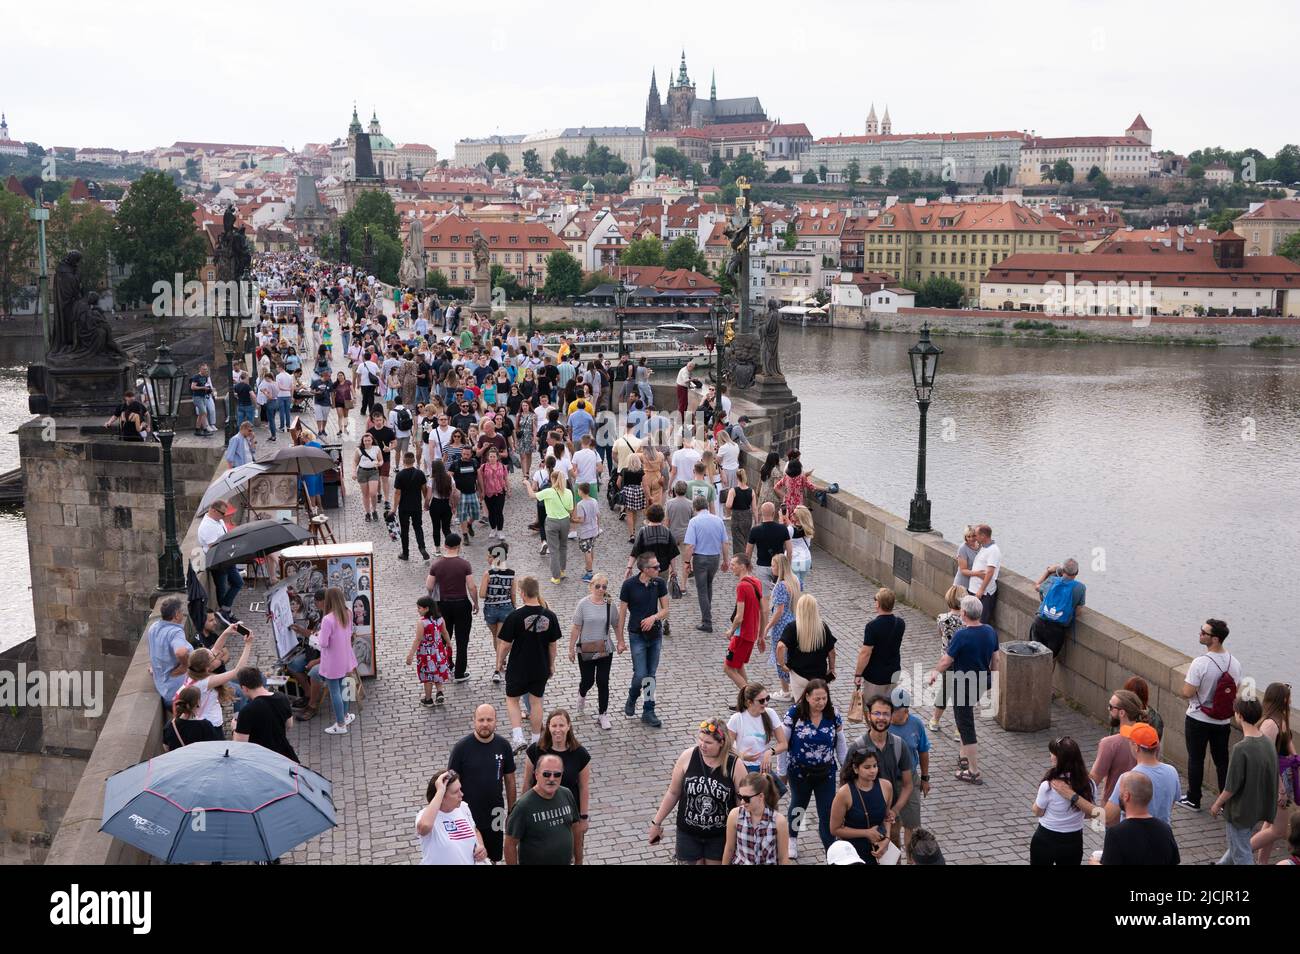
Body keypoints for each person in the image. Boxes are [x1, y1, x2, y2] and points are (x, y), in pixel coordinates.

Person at [649, 717, 747, 865]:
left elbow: (743, 803)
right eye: (700, 739)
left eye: (708, 742)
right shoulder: (688, 757)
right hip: (687, 833)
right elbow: (673, 792)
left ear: (722, 743)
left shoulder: (735, 765)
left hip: (719, 836)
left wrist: (741, 834)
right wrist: (656, 822)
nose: (702, 745)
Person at [926, 595, 998, 785]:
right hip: (982, 681)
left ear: (964, 613)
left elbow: (946, 660)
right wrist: (995, 678)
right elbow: (996, 659)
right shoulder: (990, 631)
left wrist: (935, 672)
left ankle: (973, 771)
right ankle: (964, 757)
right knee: (966, 716)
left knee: (966, 725)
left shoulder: (962, 635)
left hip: (963, 684)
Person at [1176, 617, 1242, 812]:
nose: (1200, 634)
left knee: (1196, 758)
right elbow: (1235, 691)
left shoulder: (1200, 663)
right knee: (1222, 761)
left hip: (1198, 718)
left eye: (1204, 633)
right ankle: (1224, 802)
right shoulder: (1235, 663)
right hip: (1222, 721)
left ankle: (1194, 799)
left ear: (1215, 639)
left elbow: (1187, 692)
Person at [781, 679, 848, 859]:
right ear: (807, 697)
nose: (821, 703)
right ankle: (792, 838)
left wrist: (846, 768)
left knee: (827, 811)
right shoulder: (794, 714)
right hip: (799, 772)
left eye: (824, 698)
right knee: (798, 805)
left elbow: (840, 744)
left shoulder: (833, 715)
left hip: (826, 772)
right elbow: (783, 744)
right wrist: (782, 772)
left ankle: (830, 848)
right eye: (817, 699)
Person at [497, 576, 562, 754]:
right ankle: (535, 739)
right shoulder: (550, 615)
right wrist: (551, 664)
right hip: (540, 666)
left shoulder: (515, 616)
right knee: (536, 702)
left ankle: (518, 737)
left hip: (518, 666)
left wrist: (500, 662)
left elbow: (505, 644)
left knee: (512, 700)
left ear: (523, 593)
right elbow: (552, 645)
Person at [1210, 698, 1279, 865]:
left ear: (1239, 715)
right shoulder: (1267, 743)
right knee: (1239, 844)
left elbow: (1231, 785)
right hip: (1256, 807)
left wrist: (1217, 804)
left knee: (1241, 853)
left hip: (1240, 811)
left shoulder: (1241, 748)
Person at [447, 704, 517, 864]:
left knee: (494, 856)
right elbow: (449, 784)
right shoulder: (461, 748)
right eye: (481, 720)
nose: (485, 724)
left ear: (496, 721)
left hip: (496, 812)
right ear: (474, 721)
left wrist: (512, 811)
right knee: (471, 855)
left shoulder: (504, 746)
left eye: (489, 720)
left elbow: (510, 780)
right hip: (468, 813)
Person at [522, 710, 593, 864]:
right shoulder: (536, 750)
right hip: (539, 812)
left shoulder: (580, 754)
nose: (557, 729)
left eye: (561, 725)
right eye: (554, 725)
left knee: (571, 853)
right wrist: (521, 810)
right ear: (548, 727)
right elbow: (527, 782)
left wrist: (584, 817)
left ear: (569, 726)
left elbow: (583, 787)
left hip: (569, 814)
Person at [618, 552, 670, 728]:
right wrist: (620, 640)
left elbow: (665, 610)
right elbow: (622, 613)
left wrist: (653, 618)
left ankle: (649, 710)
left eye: (658, 565)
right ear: (644, 569)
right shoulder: (629, 585)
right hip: (636, 635)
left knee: (650, 674)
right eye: (655, 567)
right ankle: (633, 696)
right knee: (640, 674)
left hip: (655, 635)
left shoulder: (659, 583)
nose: (659, 568)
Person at [1030, 736, 1099, 865]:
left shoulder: (1049, 785)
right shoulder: (1089, 784)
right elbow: (1090, 813)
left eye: (1053, 753)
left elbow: (1038, 811)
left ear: (1059, 759)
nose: (1050, 756)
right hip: (1073, 840)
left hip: (1046, 838)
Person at [569, 573, 624, 731]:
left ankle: (603, 714)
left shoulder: (609, 604)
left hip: (604, 648)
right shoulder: (583, 604)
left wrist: (620, 641)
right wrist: (571, 648)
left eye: (604, 587)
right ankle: (582, 693)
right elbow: (576, 627)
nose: (601, 589)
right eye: (597, 586)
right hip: (586, 648)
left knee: (603, 681)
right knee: (588, 680)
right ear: (590, 586)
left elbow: (615, 624)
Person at [505, 751, 579, 865]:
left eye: (557, 774)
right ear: (536, 775)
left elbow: (575, 828)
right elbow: (510, 844)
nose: (552, 779)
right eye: (546, 774)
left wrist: (579, 860)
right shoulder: (523, 806)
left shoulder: (567, 794)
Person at [1252, 682, 1297, 863]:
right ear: (1283, 699)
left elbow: (1287, 745)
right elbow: (1268, 760)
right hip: (1274, 780)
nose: (1292, 700)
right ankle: (1235, 855)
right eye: (1289, 696)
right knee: (1279, 830)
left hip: (1283, 776)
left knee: (1270, 824)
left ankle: (1262, 862)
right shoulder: (1270, 725)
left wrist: (1295, 759)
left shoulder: (1281, 719)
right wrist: (1280, 790)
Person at [1103, 723, 1179, 827]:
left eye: (1130, 741)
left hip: (1134, 838)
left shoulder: (1128, 779)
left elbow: (1106, 817)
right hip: (1162, 837)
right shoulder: (1172, 771)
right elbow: (1170, 805)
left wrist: (1080, 801)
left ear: (1136, 747)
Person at [425, 532, 478, 682]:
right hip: (462, 604)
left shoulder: (437, 564)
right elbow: (472, 587)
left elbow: (429, 585)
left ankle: (446, 666)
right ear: (459, 546)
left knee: (444, 638)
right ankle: (460, 673)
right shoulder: (464, 564)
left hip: (443, 605)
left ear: (445, 546)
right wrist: (475, 603)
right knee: (462, 640)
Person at [1100, 772, 1180, 865]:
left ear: (1126, 796)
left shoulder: (1115, 833)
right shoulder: (1165, 829)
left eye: (1120, 792)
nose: (1119, 795)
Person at [830, 748, 893, 864]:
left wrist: (887, 839)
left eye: (875, 766)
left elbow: (887, 818)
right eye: (867, 767)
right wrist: (866, 833)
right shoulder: (844, 793)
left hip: (879, 848)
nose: (873, 771)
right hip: (854, 852)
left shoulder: (886, 786)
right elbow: (835, 829)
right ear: (855, 769)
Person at [888, 688, 931, 851]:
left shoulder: (916, 724)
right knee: (892, 826)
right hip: (890, 780)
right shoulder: (883, 725)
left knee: (910, 825)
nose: (893, 713)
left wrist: (925, 779)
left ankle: (910, 861)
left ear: (906, 709)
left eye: (896, 709)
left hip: (910, 780)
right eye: (891, 707)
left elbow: (923, 751)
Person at [416, 769, 489, 865]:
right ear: (441, 796)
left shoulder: (463, 807)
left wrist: (481, 846)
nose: (461, 794)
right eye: (455, 792)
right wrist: (440, 790)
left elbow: (475, 830)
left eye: (460, 789)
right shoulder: (426, 816)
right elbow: (424, 827)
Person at [777, 593, 837, 703]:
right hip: (819, 676)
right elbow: (831, 652)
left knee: (801, 707)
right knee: (819, 706)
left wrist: (782, 664)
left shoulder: (792, 627)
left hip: (798, 674)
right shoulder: (822, 627)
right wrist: (832, 668)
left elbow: (780, 646)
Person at [683, 496, 729, 633]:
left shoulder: (694, 522)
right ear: (707, 506)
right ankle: (707, 613)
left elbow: (690, 545)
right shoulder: (718, 520)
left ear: (695, 507)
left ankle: (707, 621)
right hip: (715, 558)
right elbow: (725, 542)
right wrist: (726, 560)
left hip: (700, 559)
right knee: (708, 585)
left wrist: (686, 562)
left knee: (702, 589)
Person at [233, 667, 299, 762]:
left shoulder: (247, 711)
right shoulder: (282, 697)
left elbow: (240, 745)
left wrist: (235, 728)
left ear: (244, 688)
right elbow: (289, 725)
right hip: (284, 755)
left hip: (262, 760)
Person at [722, 772, 789, 865]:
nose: (742, 802)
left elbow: (783, 857)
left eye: (746, 798)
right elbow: (729, 849)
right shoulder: (735, 815)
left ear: (761, 796)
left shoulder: (779, 821)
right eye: (740, 796)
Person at [317, 586, 358, 735]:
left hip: (332, 661)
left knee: (335, 691)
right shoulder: (348, 612)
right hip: (346, 657)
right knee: (344, 688)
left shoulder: (327, 619)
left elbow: (323, 643)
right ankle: (345, 716)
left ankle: (340, 724)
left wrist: (320, 634)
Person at [1090, 688, 1144, 803]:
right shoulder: (1150, 740)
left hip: (1114, 807)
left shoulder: (1109, 743)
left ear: (1122, 713)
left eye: (1111, 707)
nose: (1108, 709)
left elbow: (1094, 779)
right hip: (1141, 805)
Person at [724, 552, 767, 692]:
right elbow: (763, 610)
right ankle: (744, 701)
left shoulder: (742, 586)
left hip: (741, 634)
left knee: (728, 668)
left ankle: (751, 697)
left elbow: (739, 616)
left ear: (742, 566)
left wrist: (731, 630)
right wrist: (761, 635)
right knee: (739, 664)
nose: (731, 567)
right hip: (752, 632)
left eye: (733, 565)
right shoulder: (756, 581)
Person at [727, 683, 788, 781]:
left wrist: (769, 752)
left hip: (764, 769)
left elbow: (783, 744)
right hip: (742, 768)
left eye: (767, 698)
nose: (766, 703)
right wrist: (742, 756)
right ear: (749, 702)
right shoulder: (737, 719)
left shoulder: (770, 713)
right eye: (761, 700)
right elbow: (727, 748)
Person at [1030, 559, 1087, 658]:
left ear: (1062, 570)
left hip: (1039, 622)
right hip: (1057, 630)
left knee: (1033, 656)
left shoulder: (1052, 580)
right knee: (1049, 660)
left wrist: (1048, 571)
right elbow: (1077, 612)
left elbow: (1036, 587)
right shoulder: (1080, 588)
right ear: (1077, 572)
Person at [856, 587, 905, 702]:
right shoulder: (900, 623)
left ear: (878, 604)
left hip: (875, 676)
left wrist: (858, 674)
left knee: (874, 709)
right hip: (893, 672)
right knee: (890, 707)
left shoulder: (872, 627)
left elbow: (865, 653)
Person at [929, 585, 966, 732]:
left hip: (947, 660)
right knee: (962, 695)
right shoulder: (966, 621)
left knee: (945, 690)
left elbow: (941, 634)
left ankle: (935, 720)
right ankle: (959, 729)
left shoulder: (942, 618)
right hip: (963, 661)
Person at [479, 541, 517, 685]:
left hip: (491, 609)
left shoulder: (487, 574)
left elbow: (482, 594)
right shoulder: (512, 574)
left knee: (496, 637)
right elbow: (513, 595)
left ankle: (497, 668)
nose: (487, 558)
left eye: (489, 556)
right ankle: (501, 662)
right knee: (502, 639)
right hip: (507, 609)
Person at [528, 469, 575, 585]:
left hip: (552, 522)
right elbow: (570, 509)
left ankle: (556, 576)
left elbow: (532, 495)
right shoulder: (568, 492)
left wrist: (527, 484)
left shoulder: (549, 491)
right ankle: (562, 570)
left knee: (553, 550)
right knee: (563, 547)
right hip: (565, 521)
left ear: (552, 479)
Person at [197, 501, 243, 618]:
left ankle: (225, 610)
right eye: (222, 513)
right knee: (221, 587)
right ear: (213, 510)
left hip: (226, 557)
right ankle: (225, 613)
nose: (224, 516)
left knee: (238, 582)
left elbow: (224, 537)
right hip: (217, 561)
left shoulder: (219, 520)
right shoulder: (206, 526)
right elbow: (214, 546)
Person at [764, 553, 799, 701]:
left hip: (781, 625)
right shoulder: (795, 580)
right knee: (791, 655)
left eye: (773, 565)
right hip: (794, 620)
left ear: (779, 567)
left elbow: (779, 611)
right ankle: (793, 686)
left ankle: (785, 691)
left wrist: (767, 627)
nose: (771, 568)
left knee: (780, 657)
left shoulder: (780, 586)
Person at [146, 596, 192, 710]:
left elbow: (157, 653)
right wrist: (185, 666)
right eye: (182, 611)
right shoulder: (175, 632)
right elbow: (181, 653)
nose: (183, 614)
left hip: (164, 688)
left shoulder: (153, 627)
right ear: (176, 614)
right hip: (178, 692)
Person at [405, 596, 451, 707]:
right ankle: (439, 692)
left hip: (426, 653)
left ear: (426, 608)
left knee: (427, 676)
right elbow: (444, 632)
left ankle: (428, 699)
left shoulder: (422, 622)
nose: (418, 610)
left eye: (419, 608)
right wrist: (449, 644)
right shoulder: (440, 619)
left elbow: (418, 639)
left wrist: (410, 654)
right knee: (438, 672)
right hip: (438, 651)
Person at [746, 501, 792, 592]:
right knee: (780, 594)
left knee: (764, 596)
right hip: (779, 565)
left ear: (761, 513)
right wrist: (788, 565)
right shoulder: (782, 528)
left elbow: (748, 551)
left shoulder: (755, 530)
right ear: (774, 513)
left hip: (762, 566)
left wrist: (748, 565)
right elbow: (789, 550)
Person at [393, 451, 430, 561]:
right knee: (418, 527)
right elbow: (424, 490)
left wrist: (394, 508)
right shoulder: (420, 473)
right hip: (416, 506)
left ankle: (405, 553)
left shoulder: (400, 475)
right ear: (414, 461)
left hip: (404, 507)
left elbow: (397, 493)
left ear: (403, 461)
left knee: (405, 530)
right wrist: (426, 503)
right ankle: (422, 547)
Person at [967, 524, 1002, 628]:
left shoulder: (993, 550)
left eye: (976, 535)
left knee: (981, 622)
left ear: (983, 536)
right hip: (974, 590)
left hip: (983, 593)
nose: (974, 537)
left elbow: (990, 572)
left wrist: (981, 590)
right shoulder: (983, 547)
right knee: (970, 621)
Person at [426, 458, 456, 555]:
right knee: (446, 528)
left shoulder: (432, 480)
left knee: (436, 527)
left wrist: (426, 505)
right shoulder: (449, 477)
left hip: (436, 504)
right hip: (446, 504)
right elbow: (453, 491)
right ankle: (451, 547)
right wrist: (452, 504)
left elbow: (429, 496)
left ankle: (437, 550)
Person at [573, 481, 600, 581]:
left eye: (578, 490)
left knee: (587, 551)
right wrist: (598, 527)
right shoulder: (594, 501)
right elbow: (598, 515)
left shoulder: (580, 504)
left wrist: (573, 520)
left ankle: (589, 572)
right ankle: (590, 568)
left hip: (585, 531)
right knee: (591, 549)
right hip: (594, 530)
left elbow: (582, 520)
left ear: (581, 491)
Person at [724, 466, 754, 557]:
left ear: (737, 477)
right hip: (748, 516)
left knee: (738, 541)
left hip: (737, 516)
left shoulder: (733, 490)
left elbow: (728, 505)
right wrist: (756, 520)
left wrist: (728, 513)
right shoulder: (751, 491)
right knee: (746, 539)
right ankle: (746, 557)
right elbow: (755, 508)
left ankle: (740, 561)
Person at [354, 432, 382, 521]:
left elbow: (381, 460)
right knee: (365, 494)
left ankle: (374, 510)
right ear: (363, 441)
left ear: (372, 440)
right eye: (365, 441)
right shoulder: (358, 450)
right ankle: (367, 513)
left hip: (373, 472)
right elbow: (355, 462)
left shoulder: (376, 448)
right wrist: (354, 472)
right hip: (362, 472)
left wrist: (379, 464)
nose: (367, 442)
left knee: (373, 493)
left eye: (369, 440)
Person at [191, 362, 217, 436]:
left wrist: (209, 390)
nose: (206, 370)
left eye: (206, 369)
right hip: (197, 397)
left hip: (203, 396)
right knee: (204, 412)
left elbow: (204, 386)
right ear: (200, 369)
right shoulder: (196, 377)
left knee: (200, 414)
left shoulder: (206, 377)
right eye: (204, 369)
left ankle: (197, 429)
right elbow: (192, 387)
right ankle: (205, 429)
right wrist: (203, 388)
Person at [953, 525, 980, 590]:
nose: (971, 538)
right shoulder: (963, 548)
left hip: (974, 584)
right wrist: (979, 574)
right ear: (965, 537)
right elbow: (963, 570)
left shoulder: (980, 545)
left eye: (973, 536)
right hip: (962, 584)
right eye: (968, 536)